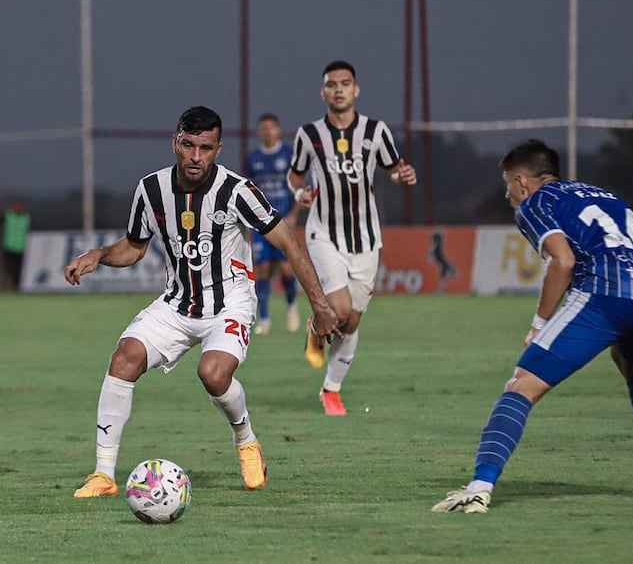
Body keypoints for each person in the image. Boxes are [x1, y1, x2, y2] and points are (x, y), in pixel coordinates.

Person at [64, 106, 339, 498]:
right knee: (123, 357)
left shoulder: (237, 191)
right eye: (189, 145)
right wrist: (100, 254)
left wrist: (321, 307)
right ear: (175, 142)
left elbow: (288, 241)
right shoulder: (151, 189)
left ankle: (245, 440)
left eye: (206, 148)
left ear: (218, 149)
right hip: (176, 305)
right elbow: (134, 248)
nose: (196, 157)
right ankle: (104, 474)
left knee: (212, 373)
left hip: (230, 303)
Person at [433, 139, 633, 514]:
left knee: (522, 383)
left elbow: (563, 261)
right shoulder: (607, 197)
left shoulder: (537, 203)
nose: (508, 195)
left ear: (522, 181)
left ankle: (479, 488)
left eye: (508, 186)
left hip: (608, 292)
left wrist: (539, 325)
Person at [287, 60, 417, 416]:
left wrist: (402, 174)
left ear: (356, 90)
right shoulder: (309, 135)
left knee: (352, 322)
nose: (339, 89)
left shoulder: (376, 132)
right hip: (323, 232)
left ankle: (331, 388)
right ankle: (319, 327)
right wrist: (299, 195)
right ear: (323, 92)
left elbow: (393, 168)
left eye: (346, 83)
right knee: (339, 309)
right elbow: (295, 176)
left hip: (365, 238)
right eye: (333, 84)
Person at [245, 113, 301, 336]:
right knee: (263, 270)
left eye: (272, 127)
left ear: (278, 130)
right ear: (260, 132)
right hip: (260, 224)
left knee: (287, 270)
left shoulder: (288, 154)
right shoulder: (253, 158)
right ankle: (265, 319)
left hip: (283, 221)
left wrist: (295, 213)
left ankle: (291, 307)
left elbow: (298, 185)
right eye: (264, 128)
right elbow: (247, 189)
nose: (268, 131)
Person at [2, 200, 31, 290]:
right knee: (9, 268)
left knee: (19, 269)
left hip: (21, 247)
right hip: (9, 247)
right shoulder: (8, 216)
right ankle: (11, 284)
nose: (18, 208)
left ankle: (17, 285)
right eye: (16, 206)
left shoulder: (26, 218)